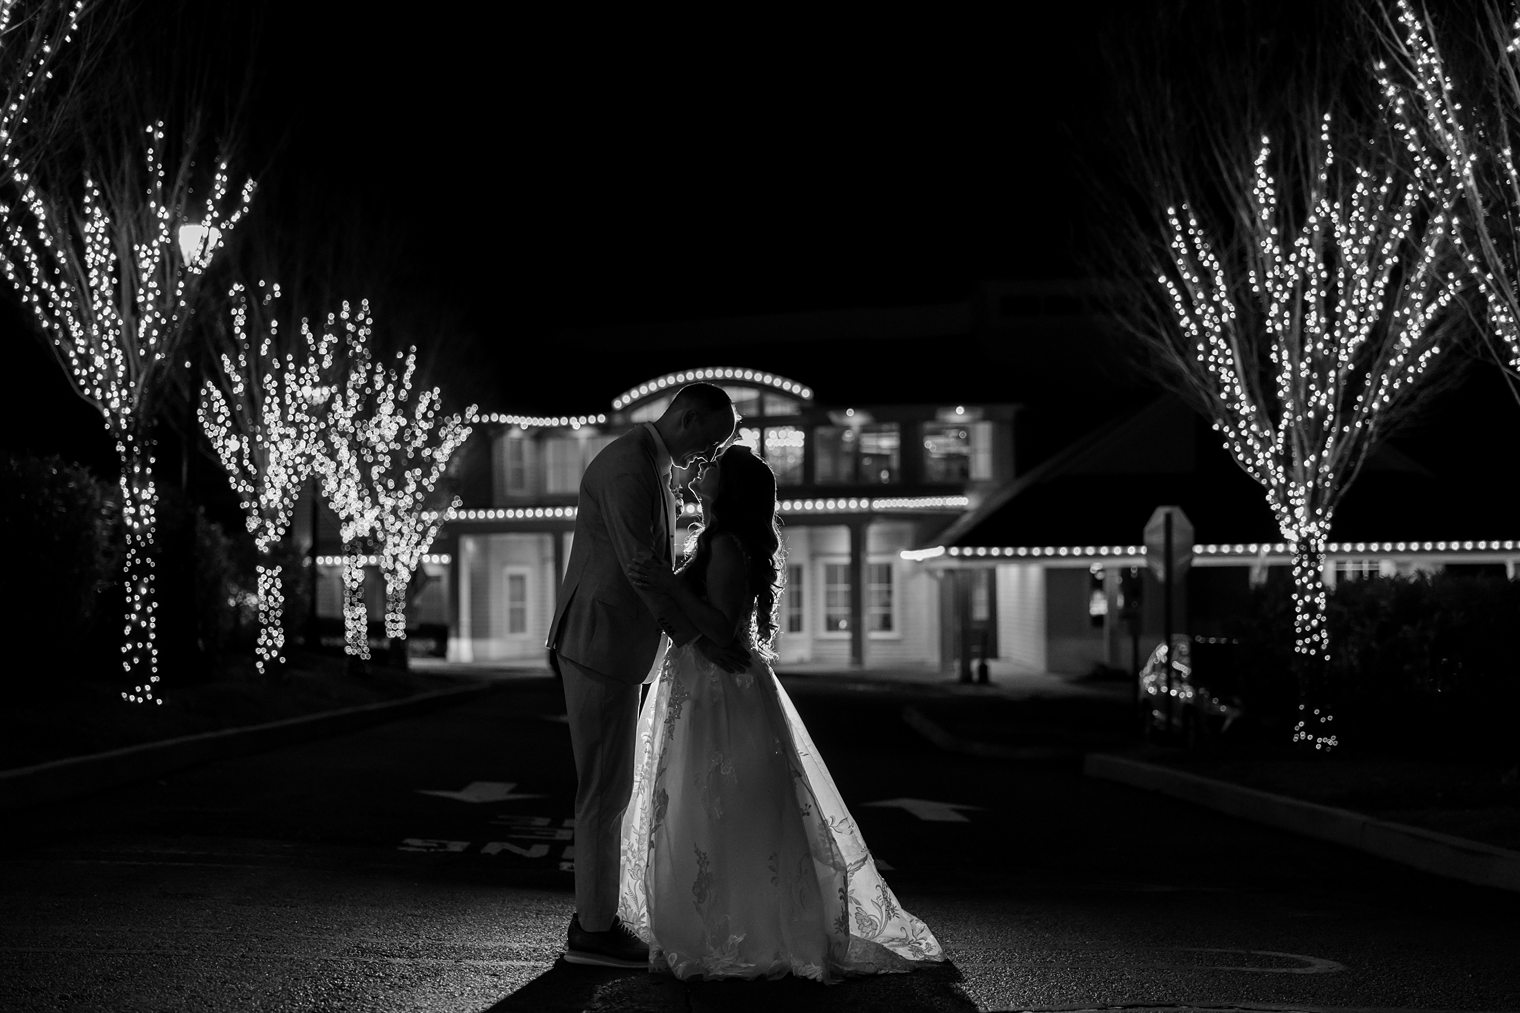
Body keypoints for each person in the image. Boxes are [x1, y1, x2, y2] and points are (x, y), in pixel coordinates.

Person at [618, 444, 945, 982]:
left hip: (717, 688)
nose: (704, 471)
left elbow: (721, 629)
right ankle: (721, 918)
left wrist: (669, 584)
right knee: (715, 804)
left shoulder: (724, 546)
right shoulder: (720, 542)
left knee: (718, 801)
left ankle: (729, 929)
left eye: (714, 468)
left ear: (730, 490)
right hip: (710, 681)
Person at [546, 382, 752, 969]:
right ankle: (593, 929)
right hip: (599, 642)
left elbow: (652, 568)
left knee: (610, 788)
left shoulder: (652, 467)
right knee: (604, 791)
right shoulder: (628, 467)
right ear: (687, 418)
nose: (709, 456)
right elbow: (641, 567)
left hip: (614, 643)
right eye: (710, 440)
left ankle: (594, 915)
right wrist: (694, 637)